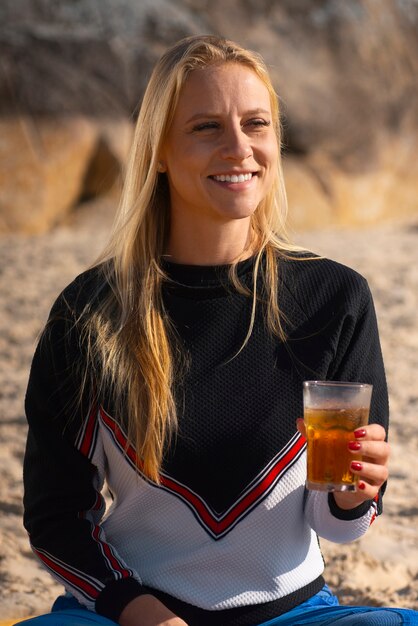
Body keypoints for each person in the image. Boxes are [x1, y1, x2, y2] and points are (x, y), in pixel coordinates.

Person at [20, 35, 418, 626]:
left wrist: (353, 493)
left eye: (256, 124)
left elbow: (339, 526)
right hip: (133, 616)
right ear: (158, 151)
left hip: (297, 617)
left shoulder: (336, 297)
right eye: (206, 127)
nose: (239, 147)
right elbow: (57, 518)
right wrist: (145, 615)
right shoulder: (89, 313)